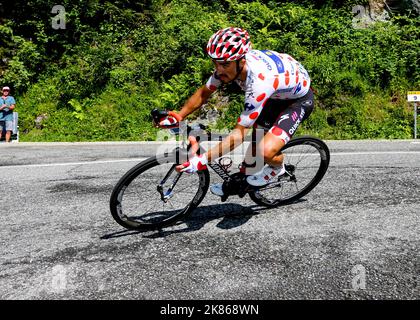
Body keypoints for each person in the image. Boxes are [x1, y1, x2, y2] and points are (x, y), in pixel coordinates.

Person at [158, 27, 314, 197]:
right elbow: (204, 93)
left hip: (297, 100)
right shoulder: (229, 64)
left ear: (241, 61)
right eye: (215, 63)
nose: (219, 70)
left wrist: (202, 160)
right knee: (254, 148)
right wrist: (180, 116)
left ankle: (278, 169)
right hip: (276, 92)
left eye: (224, 64)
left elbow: (238, 136)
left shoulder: (259, 83)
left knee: (264, 151)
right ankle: (242, 180)